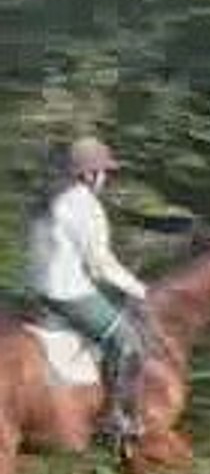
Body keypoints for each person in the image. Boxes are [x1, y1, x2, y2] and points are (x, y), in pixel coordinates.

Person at [26, 136, 150, 445]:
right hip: (67, 294)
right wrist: (140, 289)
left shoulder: (49, 199)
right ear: (89, 174)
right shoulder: (84, 206)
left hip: (37, 290)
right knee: (127, 340)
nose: (106, 178)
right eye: (104, 172)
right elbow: (101, 266)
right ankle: (113, 417)